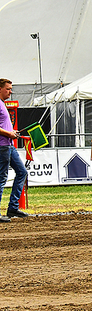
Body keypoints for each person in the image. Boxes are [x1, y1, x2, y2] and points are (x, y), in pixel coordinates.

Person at [0, 79, 29, 222]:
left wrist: (11, 131)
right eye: (8, 89)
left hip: (9, 144)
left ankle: (13, 207)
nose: (10, 92)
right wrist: (8, 133)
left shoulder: (3, 104)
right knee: (1, 178)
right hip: (2, 146)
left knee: (22, 172)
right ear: (0, 89)